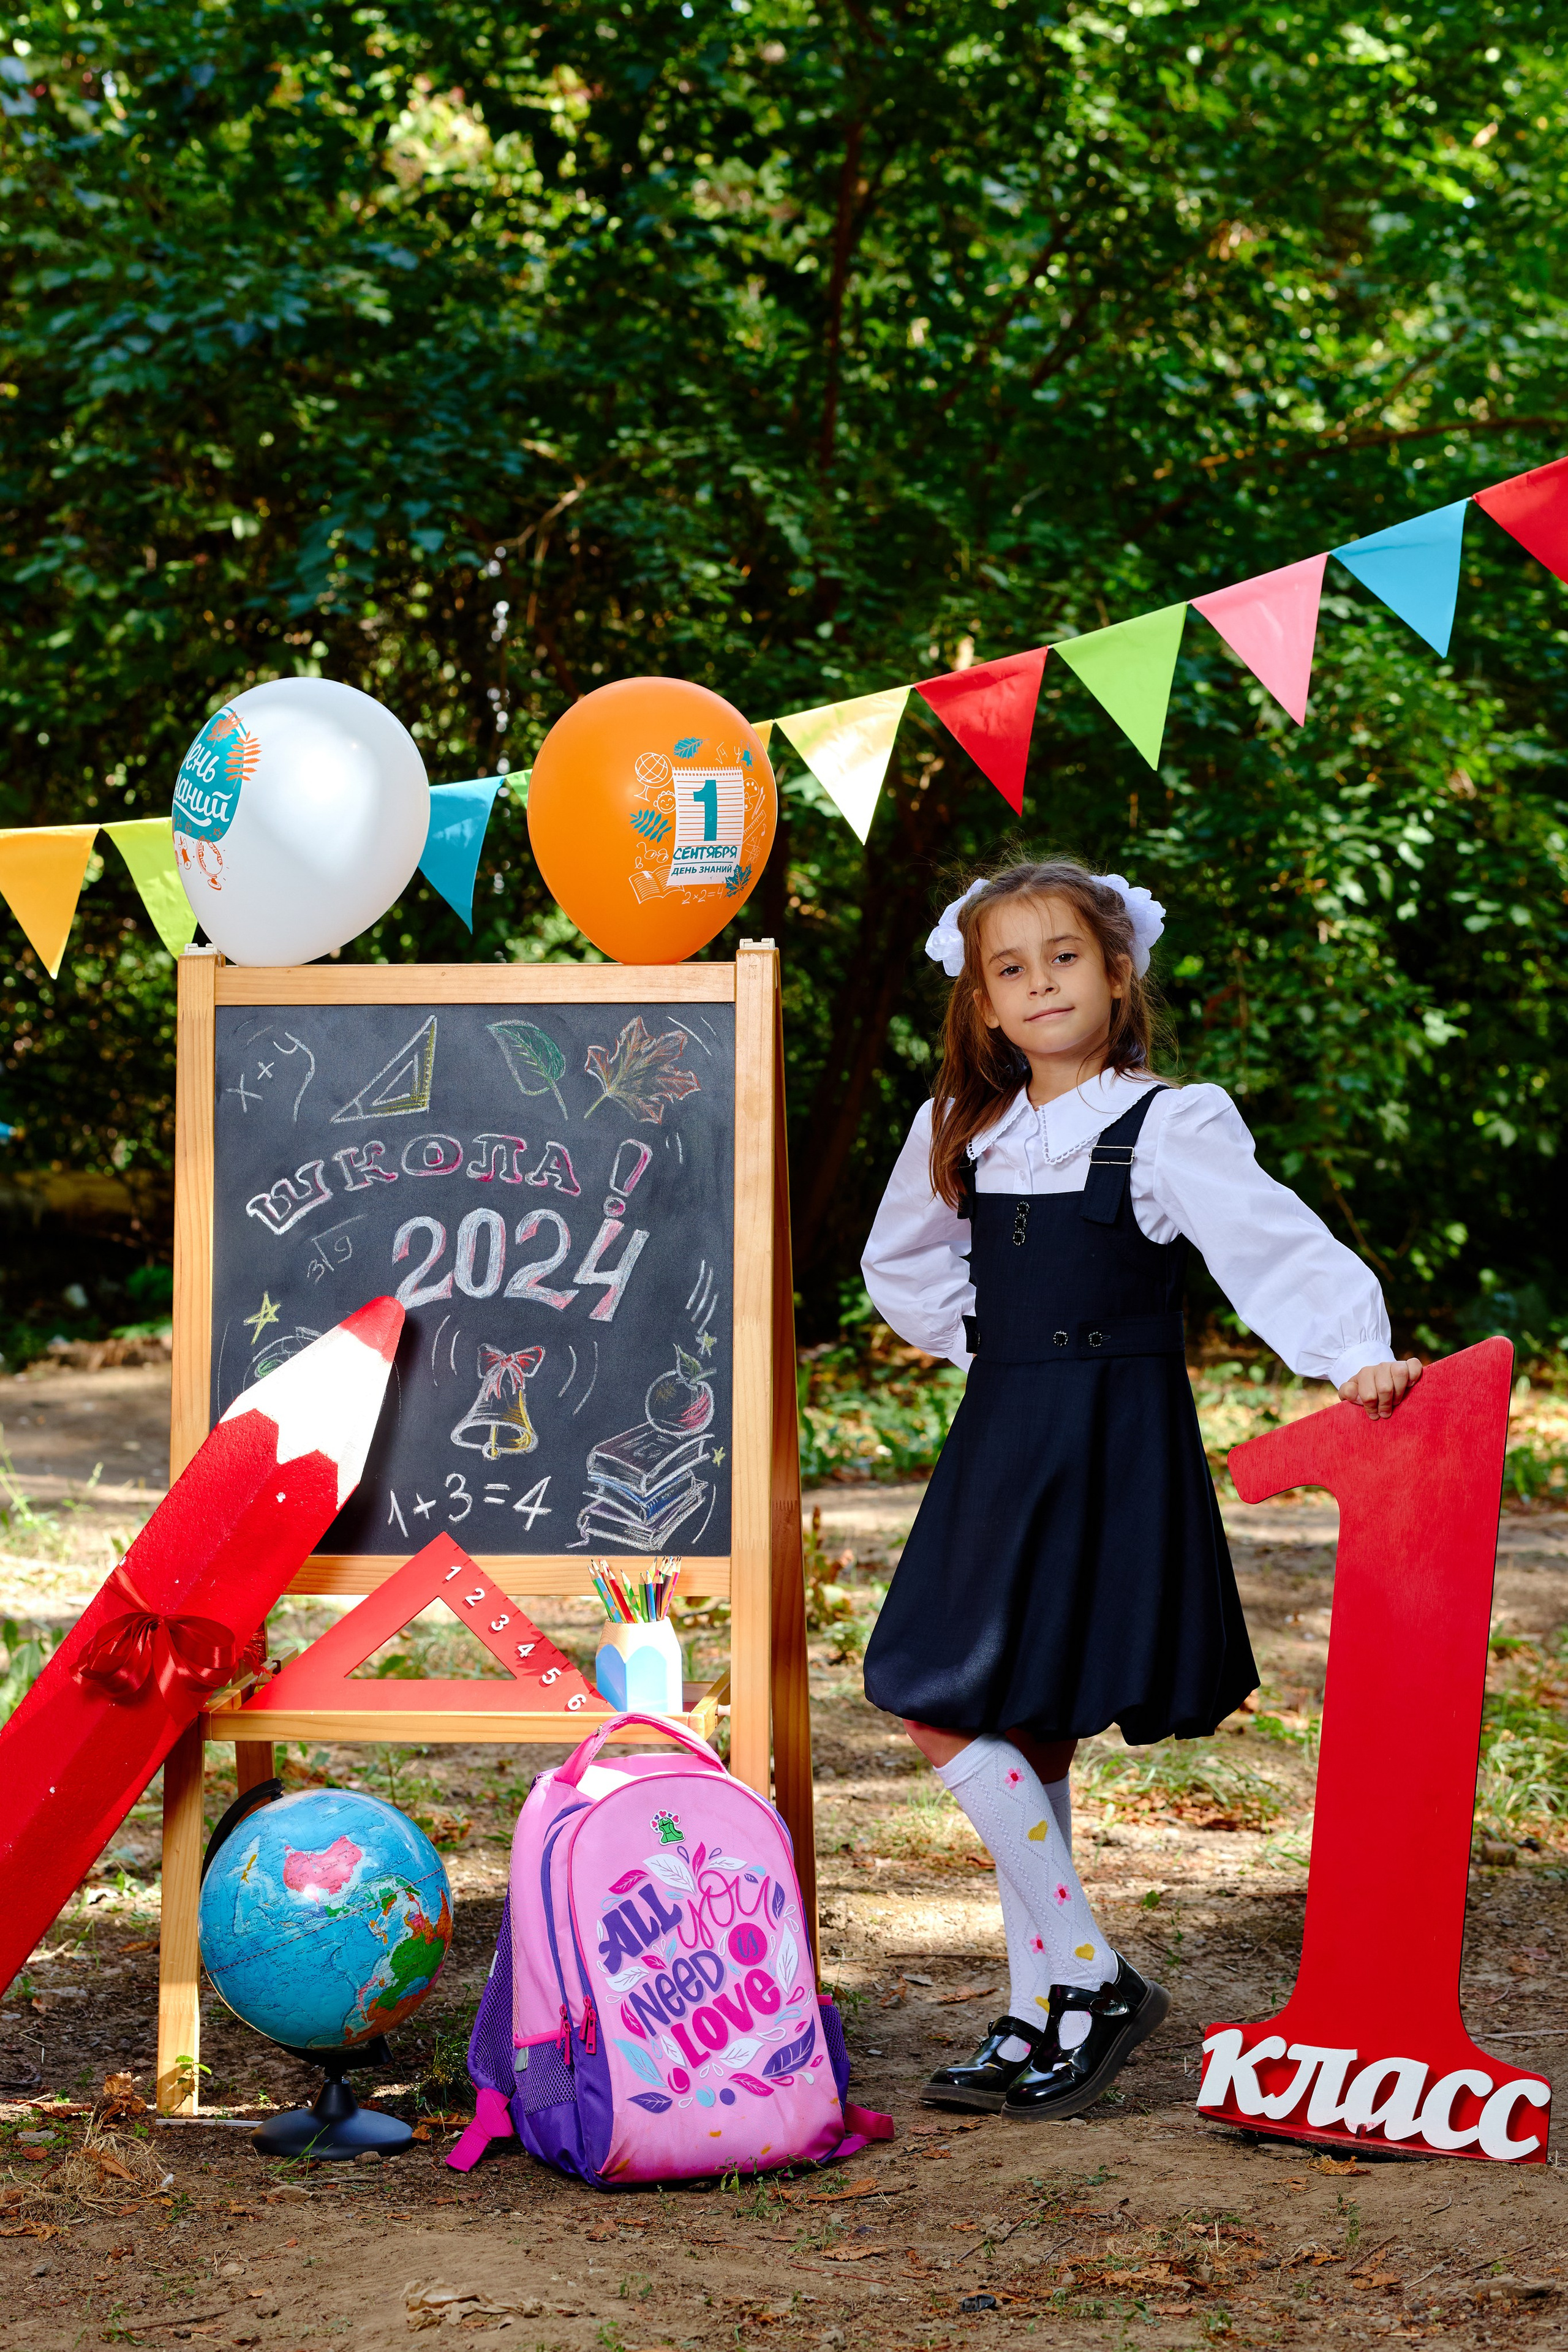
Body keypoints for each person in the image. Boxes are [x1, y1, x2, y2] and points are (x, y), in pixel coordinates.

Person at [860, 858, 1421, 2122]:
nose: (1040, 984)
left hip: (1111, 1435)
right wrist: (984, 1341)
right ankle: (1050, 1999)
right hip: (1006, 1429)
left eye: (1064, 956)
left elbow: (1267, 1240)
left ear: (1116, 974)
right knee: (978, 1701)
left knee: (963, 1698)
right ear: (982, 1002)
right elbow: (898, 1259)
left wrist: (1350, 1349)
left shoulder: (1168, 1123)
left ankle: (1082, 1984)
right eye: (1011, 968)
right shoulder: (965, 1125)